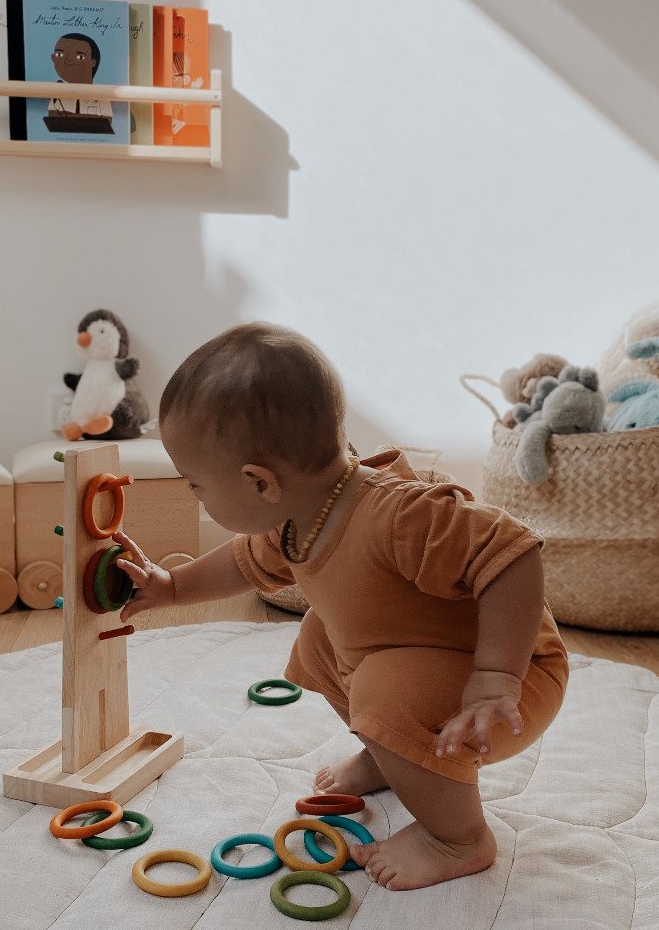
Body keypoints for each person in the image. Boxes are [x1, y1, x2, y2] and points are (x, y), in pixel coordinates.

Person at [114, 322, 568, 891]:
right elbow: (241, 562)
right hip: (432, 673)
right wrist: (172, 587)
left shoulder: (398, 515)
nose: (195, 495)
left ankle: (457, 838)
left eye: (195, 486)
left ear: (260, 482)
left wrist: (496, 676)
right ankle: (392, 756)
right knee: (319, 640)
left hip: (512, 687)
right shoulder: (300, 518)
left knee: (383, 686)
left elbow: (515, 554)